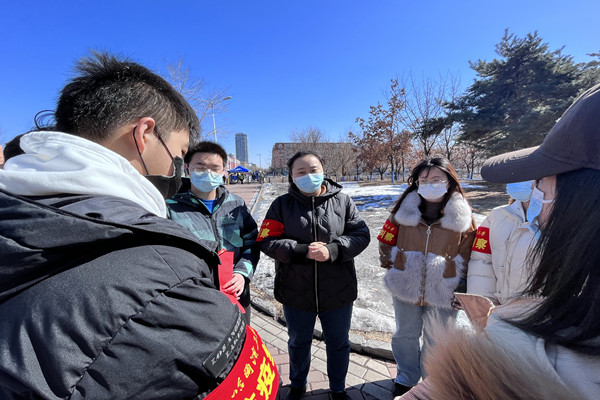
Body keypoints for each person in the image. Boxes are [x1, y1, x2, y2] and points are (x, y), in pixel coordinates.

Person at [0, 52, 279, 399]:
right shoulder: (161, 253)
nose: (177, 170)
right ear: (144, 133)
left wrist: (243, 272)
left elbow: (253, 241)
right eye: (181, 156)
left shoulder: (17, 210)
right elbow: (256, 384)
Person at [400, 83, 600, 400]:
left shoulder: (533, 351)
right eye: (424, 180)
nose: (537, 192)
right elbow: (483, 260)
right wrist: (484, 310)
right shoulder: (495, 218)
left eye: (540, 182)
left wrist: (493, 333)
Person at [259, 151, 370, 400]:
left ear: (323, 171)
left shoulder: (343, 201)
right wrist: (301, 251)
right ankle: (298, 384)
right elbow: (266, 240)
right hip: (295, 289)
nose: (308, 176)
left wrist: (333, 250)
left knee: (339, 343)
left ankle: (338, 388)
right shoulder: (281, 205)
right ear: (291, 176)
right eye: (301, 172)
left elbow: (361, 234)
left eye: (313, 170)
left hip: (338, 289)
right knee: (298, 342)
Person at [377, 157, 476, 397]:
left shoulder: (463, 216)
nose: (429, 184)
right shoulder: (402, 212)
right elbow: (385, 239)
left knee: (437, 339)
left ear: (449, 182)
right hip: (405, 285)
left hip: (444, 288)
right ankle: (406, 376)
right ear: (416, 183)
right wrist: (393, 264)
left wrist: (461, 285)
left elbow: (469, 254)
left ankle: (431, 382)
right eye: (424, 179)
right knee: (405, 334)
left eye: (436, 179)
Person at [167, 141, 259, 324]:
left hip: (237, 295)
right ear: (187, 168)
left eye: (215, 168)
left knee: (242, 339)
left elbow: (252, 243)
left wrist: (242, 274)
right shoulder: (170, 209)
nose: (208, 173)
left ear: (223, 171)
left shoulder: (237, 205)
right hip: (197, 302)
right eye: (200, 167)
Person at [466, 180, 536, 305]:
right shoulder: (496, 216)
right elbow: (481, 260)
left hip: (542, 310)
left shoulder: (563, 221)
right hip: (500, 309)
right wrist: (484, 303)